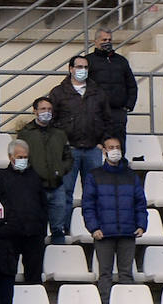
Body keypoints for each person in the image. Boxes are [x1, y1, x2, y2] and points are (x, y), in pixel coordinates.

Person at [50, 55, 113, 233]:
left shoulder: (98, 92)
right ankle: (65, 228)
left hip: (93, 149)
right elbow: (52, 121)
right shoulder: (58, 92)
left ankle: (92, 229)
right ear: (70, 69)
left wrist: (103, 141)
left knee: (93, 193)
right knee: (66, 192)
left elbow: (108, 119)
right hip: (69, 150)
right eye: (79, 66)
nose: (82, 70)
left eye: (85, 67)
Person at [82, 136, 145, 304]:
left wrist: (141, 225)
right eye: (111, 147)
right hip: (104, 233)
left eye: (117, 147)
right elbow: (88, 205)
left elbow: (140, 202)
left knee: (126, 273)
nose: (114, 150)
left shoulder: (131, 176)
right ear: (104, 150)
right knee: (105, 273)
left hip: (127, 232)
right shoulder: (94, 175)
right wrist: (93, 227)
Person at [0, 141, 49, 304]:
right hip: (10, 235)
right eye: (19, 157)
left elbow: (43, 204)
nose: (23, 160)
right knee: (7, 275)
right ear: (10, 157)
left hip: (34, 234)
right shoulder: (1, 178)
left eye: (25, 157)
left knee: (34, 273)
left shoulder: (35, 177)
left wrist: (41, 227)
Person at [17, 97, 72, 244]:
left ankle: (59, 260)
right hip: (35, 187)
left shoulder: (59, 133)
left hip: (57, 185)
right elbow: (20, 157)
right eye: (43, 109)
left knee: (58, 229)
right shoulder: (25, 133)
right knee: (37, 228)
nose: (46, 112)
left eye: (49, 109)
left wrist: (61, 170)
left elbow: (68, 157)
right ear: (35, 111)